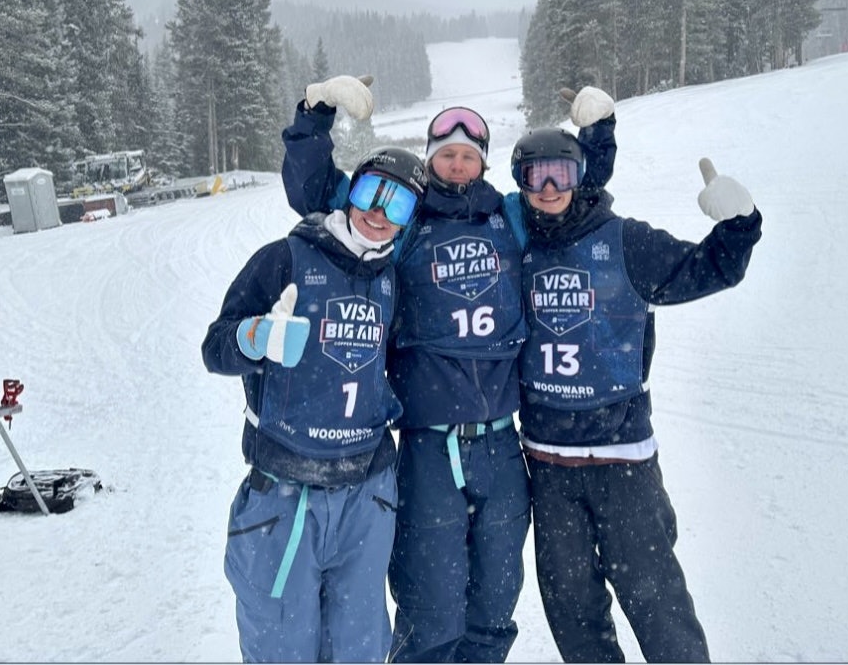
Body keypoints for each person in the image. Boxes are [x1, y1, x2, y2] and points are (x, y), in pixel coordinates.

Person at [502, 87, 763, 663]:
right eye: (536, 176)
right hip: (548, 465)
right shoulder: (515, 247)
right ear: (520, 182)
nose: (550, 188)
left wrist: (739, 225)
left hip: (622, 461)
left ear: (580, 178)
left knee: (656, 601)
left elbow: (708, 268)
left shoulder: (622, 240)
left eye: (562, 174)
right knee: (573, 612)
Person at [280, 75, 532, 662]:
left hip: (501, 445)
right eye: (447, 154)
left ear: (483, 162)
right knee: (430, 611)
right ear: (430, 157)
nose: (458, 164)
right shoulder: (404, 216)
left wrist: (597, 140)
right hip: (428, 443)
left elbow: (565, 198)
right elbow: (317, 192)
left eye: (469, 155)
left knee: (494, 609)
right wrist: (314, 115)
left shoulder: (509, 217)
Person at [201, 125, 427, 662]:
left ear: (409, 220)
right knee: (282, 646)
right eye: (370, 192)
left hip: (366, 495)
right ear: (350, 191)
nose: (379, 212)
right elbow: (215, 348)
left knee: (359, 648)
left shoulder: (391, 279)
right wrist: (255, 338)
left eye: (397, 204)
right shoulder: (285, 259)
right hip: (285, 493)